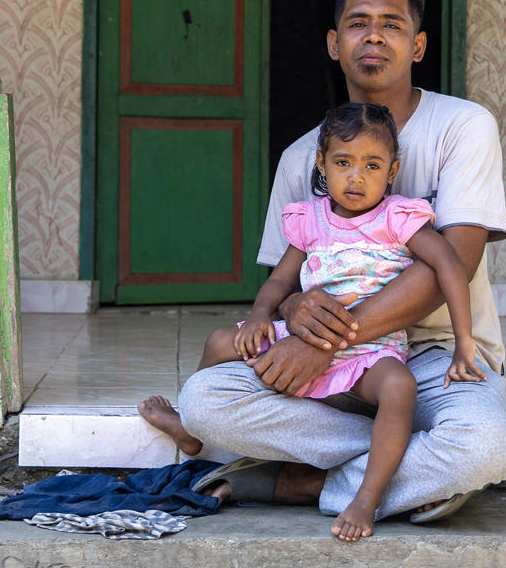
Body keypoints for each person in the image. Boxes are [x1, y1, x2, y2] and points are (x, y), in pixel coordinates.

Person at [171, 0, 506, 528]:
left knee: (486, 446)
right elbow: (286, 283)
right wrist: (294, 312)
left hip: (433, 358)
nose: (374, 35)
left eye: (392, 24)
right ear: (335, 44)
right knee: (204, 401)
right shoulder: (300, 159)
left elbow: (456, 258)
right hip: (329, 370)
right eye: (358, 24)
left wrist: (330, 340)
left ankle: (298, 482)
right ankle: (399, 464)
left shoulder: (462, 126)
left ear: (418, 45)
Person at [142, 101, 486, 540]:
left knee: (400, 387)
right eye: (343, 163)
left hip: (369, 350)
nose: (356, 177)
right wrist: (260, 316)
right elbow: (280, 281)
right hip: (299, 336)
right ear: (321, 164)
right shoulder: (310, 219)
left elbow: (451, 264)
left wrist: (464, 340)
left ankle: (365, 497)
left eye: (372, 165)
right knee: (219, 341)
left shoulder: (399, 218)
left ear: (392, 171)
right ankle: (189, 429)